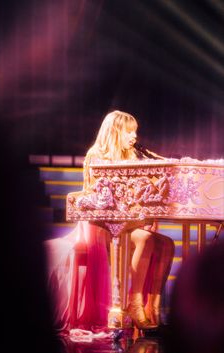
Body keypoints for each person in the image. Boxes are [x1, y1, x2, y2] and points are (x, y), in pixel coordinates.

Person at [45, 110, 174, 335]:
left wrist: (147, 213)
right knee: (146, 240)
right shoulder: (95, 155)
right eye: (129, 132)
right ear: (116, 131)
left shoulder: (134, 156)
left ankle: (152, 308)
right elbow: (99, 199)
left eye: (135, 132)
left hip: (126, 221)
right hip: (100, 222)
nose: (134, 137)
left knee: (167, 244)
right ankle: (134, 305)